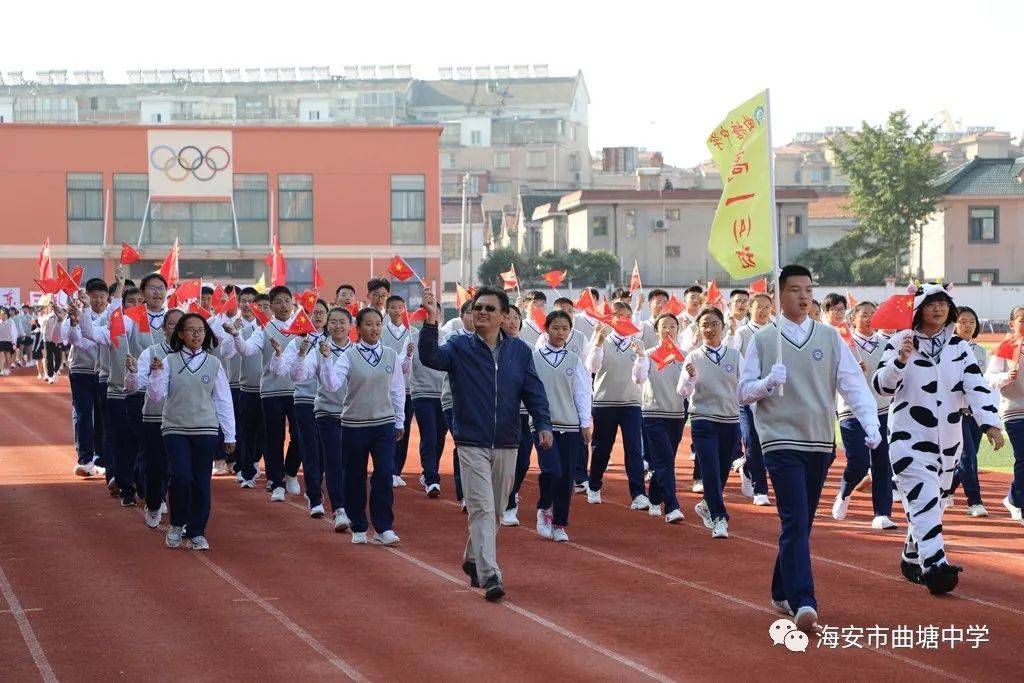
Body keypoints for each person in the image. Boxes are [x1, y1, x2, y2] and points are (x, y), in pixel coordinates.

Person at [739, 264, 881, 632]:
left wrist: (871, 423)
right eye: (795, 290)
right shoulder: (764, 340)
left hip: (819, 441)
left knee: (800, 524)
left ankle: (779, 589)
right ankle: (804, 600)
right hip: (779, 441)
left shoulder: (831, 338)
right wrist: (768, 383)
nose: (803, 296)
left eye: (808, 289)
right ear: (778, 295)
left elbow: (852, 384)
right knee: (795, 518)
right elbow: (742, 391)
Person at [419, 286, 553, 601]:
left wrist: (542, 424)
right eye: (478, 307)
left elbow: (533, 390)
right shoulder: (458, 346)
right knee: (481, 507)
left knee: (494, 510)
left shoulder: (519, 352)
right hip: (471, 440)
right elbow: (430, 357)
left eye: (490, 309)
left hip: (508, 440)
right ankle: (489, 573)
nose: (482, 312)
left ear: (504, 316)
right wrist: (431, 322)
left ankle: (472, 558)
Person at [875, 283, 1004, 594]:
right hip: (908, 438)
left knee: (933, 504)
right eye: (932, 303)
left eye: (944, 303)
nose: (939, 309)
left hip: (949, 442)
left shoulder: (960, 348)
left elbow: (977, 387)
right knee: (925, 500)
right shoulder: (900, 341)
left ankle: (911, 556)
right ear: (919, 308)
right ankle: (936, 567)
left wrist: (990, 424)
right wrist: (900, 362)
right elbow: (880, 386)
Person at [146, 313, 235, 550]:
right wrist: (155, 375)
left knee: (201, 481)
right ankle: (177, 524)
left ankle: (197, 531)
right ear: (181, 334)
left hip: (205, 428)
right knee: (182, 476)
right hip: (175, 427)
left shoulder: (214, 363)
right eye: (191, 330)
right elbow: (156, 396)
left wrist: (230, 435)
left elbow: (223, 400)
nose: (196, 334)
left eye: (201, 330)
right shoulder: (169, 361)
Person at [320, 307, 405, 545]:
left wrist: (399, 420)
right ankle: (358, 525)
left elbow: (397, 390)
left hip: (384, 424)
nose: (374, 329)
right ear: (358, 329)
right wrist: (327, 359)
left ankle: (383, 527)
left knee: (384, 474)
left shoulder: (390, 355)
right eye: (369, 324)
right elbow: (332, 385)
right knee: (355, 476)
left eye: (378, 324)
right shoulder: (348, 356)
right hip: (354, 425)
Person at [230, 285, 303, 502]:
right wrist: (236, 336)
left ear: (292, 304)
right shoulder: (264, 330)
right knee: (274, 437)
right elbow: (246, 350)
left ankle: (290, 472)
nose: (283, 306)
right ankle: (276, 481)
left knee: (299, 437)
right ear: (270, 307)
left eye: (287, 301)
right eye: (278, 302)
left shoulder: (301, 328)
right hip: (271, 391)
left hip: (297, 391)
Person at [831, 301, 897, 530]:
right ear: (853, 319)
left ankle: (882, 513)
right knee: (858, 462)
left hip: (881, 409)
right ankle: (845, 491)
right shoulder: (844, 343)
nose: (869, 318)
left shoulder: (888, 344)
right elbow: (831, 373)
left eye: (873, 314)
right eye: (864, 314)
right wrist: (851, 368)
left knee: (882, 463)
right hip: (851, 410)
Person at [289, 306, 354, 532]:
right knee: (333, 461)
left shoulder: (357, 351)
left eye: (342, 322)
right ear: (327, 325)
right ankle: (338, 509)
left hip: (354, 416)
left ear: (350, 325)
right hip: (327, 413)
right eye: (333, 322)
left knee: (351, 464)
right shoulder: (318, 349)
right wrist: (301, 354)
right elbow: (298, 375)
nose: (337, 326)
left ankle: (349, 505)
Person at [678, 307, 742, 538]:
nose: (709, 329)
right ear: (699, 328)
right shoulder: (693, 357)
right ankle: (719, 518)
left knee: (723, 469)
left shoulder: (735, 356)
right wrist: (690, 377)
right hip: (703, 419)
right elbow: (683, 391)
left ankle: (707, 504)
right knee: (711, 471)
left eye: (714, 324)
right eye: (705, 324)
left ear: (723, 327)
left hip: (730, 419)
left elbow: (744, 387)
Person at [532, 310, 591, 542]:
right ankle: (544, 507)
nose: (560, 333)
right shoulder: (534, 357)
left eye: (565, 329)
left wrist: (585, 423)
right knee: (551, 470)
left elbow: (583, 393)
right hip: (543, 425)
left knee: (567, 477)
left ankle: (559, 523)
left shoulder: (574, 360)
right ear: (546, 329)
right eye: (555, 328)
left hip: (570, 426)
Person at [584, 302, 648, 509]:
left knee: (634, 448)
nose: (623, 319)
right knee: (602, 447)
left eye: (627, 316)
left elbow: (641, 378)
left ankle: (638, 494)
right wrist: (598, 342)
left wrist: (640, 356)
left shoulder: (638, 343)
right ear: (611, 318)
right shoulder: (601, 339)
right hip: (605, 402)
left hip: (631, 402)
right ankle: (594, 486)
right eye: (618, 315)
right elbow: (592, 367)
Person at [125, 308, 184, 527]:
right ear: (163, 328)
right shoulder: (151, 352)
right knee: (156, 466)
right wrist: (132, 372)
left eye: (181, 325)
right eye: (171, 324)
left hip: (182, 420)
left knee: (180, 468)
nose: (177, 329)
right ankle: (153, 502)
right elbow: (133, 386)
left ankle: (181, 514)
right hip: (154, 417)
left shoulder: (193, 354)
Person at [269, 299, 328, 517]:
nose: (318, 317)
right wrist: (278, 353)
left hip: (332, 404)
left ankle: (316, 485)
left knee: (324, 449)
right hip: (305, 399)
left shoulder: (335, 341)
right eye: (314, 313)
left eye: (322, 313)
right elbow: (282, 370)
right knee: (310, 446)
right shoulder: (297, 342)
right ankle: (314, 495)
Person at [632, 312, 687, 523]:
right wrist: (640, 357)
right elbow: (638, 378)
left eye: (672, 326)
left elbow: (689, 388)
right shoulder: (648, 354)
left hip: (676, 414)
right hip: (653, 413)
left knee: (665, 460)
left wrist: (691, 375)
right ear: (656, 331)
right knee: (665, 460)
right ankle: (672, 506)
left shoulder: (684, 355)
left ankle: (654, 497)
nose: (668, 330)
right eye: (664, 326)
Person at [62, 279, 108, 477]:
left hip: (104, 373)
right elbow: (69, 339)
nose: (98, 300)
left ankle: (101, 457)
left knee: (102, 416)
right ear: (86, 296)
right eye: (94, 296)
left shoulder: (112, 317)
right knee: (82, 414)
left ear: (107, 297)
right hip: (81, 370)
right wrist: (71, 322)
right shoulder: (76, 314)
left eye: (101, 296)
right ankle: (85, 458)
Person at [731, 292, 772, 506]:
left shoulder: (776, 332)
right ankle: (760, 490)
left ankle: (747, 468)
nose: (763, 310)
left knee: (769, 444)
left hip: (770, 397)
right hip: (747, 397)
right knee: (752, 441)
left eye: (767, 306)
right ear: (750, 308)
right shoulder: (742, 332)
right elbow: (733, 359)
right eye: (759, 306)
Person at [984, 305, 1024, 526]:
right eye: (1022, 320)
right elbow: (989, 379)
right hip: (1014, 410)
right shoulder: (1006, 348)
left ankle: (1013, 498)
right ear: (1012, 325)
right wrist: (1007, 376)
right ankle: (1020, 504)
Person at [949, 306, 989, 516]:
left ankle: (947, 490)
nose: (967, 325)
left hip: (976, 413)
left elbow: (983, 382)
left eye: (971, 322)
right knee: (968, 457)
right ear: (954, 324)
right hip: (956, 413)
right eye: (962, 321)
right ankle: (975, 501)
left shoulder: (981, 352)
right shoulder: (948, 348)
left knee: (967, 458)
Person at [500, 305, 537, 527]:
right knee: (503, 461)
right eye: (508, 317)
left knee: (523, 459)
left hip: (525, 413)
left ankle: (512, 494)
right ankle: (507, 504)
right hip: (502, 413)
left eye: (517, 318)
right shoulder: (492, 348)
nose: (513, 322)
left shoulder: (529, 349)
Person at [440, 301, 475, 509]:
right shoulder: (453, 339)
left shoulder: (491, 339)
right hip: (453, 400)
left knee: (479, 447)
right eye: (470, 312)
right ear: (461, 317)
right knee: (463, 444)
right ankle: (464, 495)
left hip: (481, 402)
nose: (475, 316)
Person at [231, 289, 267, 487]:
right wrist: (233, 334)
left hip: (268, 390)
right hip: (245, 387)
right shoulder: (235, 327)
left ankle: (254, 462)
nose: (247, 305)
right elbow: (229, 352)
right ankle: (245, 469)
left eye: (251, 302)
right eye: (243, 301)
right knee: (245, 431)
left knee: (264, 433)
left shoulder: (268, 328)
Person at [381, 295, 415, 487]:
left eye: (400, 307)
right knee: (386, 428)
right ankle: (386, 467)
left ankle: (397, 470)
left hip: (406, 388)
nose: (397, 311)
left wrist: (409, 354)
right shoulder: (382, 332)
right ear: (387, 310)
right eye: (393, 307)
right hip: (384, 387)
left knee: (403, 429)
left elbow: (406, 367)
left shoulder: (411, 333)